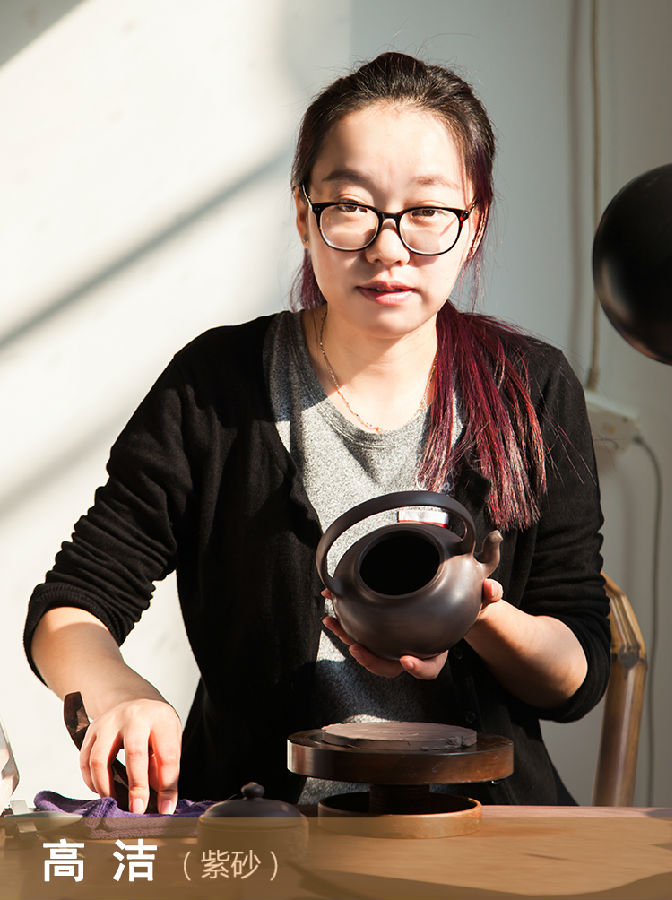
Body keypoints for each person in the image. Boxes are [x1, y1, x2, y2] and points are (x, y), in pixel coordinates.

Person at [24, 52, 609, 814]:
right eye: (352, 206)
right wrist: (119, 692)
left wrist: (476, 614)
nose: (388, 248)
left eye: (428, 211)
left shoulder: (531, 389)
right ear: (304, 215)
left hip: (483, 837)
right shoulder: (217, 387)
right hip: (264, 840)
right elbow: (71, 606)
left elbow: (577, 674)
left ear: (475, 226)